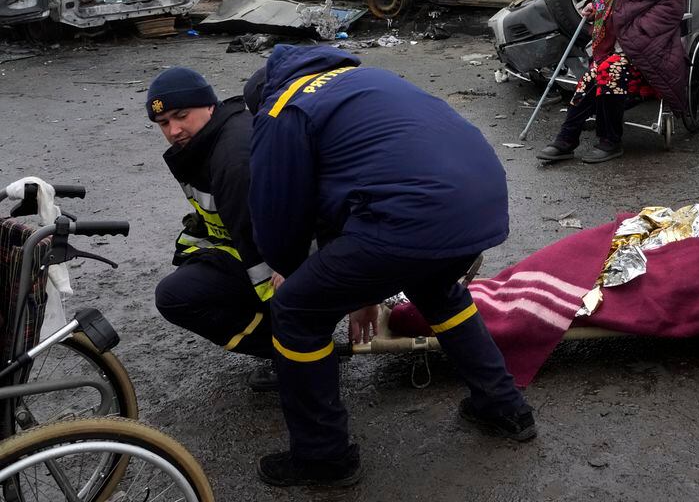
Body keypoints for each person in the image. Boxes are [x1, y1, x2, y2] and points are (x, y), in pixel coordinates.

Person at [243, 45, 533, 488]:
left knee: (297, 310)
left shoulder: (281, 108)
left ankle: (323, 458)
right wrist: (358, 290)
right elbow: (355, 188)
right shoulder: (364, 80)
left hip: (413, 215)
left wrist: (298, 274)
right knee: (437, 287)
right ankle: (504, 407)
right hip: (482, 200)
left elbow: (278, 215)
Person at [147, 67, 277, 389]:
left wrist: (297, 327)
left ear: (209, 106)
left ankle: (291, 349)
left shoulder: (233, 158)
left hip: (285, 264)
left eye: (181, 116)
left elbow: (260, 249)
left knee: (175, 296)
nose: (174, 130)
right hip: (254, 251)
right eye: (164, 123)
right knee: (190, 272)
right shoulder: (208, 141)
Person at [537, 0, 686, 164]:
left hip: (648, 46)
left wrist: (637, 31)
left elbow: (673, 4)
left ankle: (610, 141)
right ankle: (566, 140)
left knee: (608, 71)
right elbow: (607, 0)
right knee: (588, 79)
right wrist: (594, 7)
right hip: (616, 47)